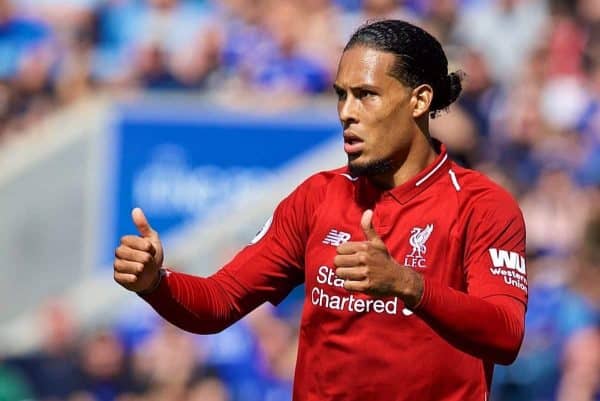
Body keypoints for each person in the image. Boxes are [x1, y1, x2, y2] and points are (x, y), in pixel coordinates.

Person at [114, 20, 527, 401]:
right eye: (341, 95)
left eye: (366, 95)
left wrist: (408, 284)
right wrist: (156, 284)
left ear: (419, 101)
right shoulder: (317, 197)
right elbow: (219, 302)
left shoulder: (482, 205)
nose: (347, 112)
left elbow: (506, 334)